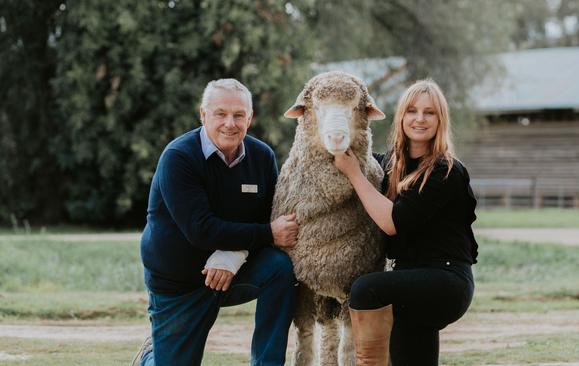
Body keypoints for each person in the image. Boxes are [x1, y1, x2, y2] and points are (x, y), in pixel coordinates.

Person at [132, 79, 299, 366]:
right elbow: (201, 230)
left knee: (279, 268)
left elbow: (266, 214)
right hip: (179, 282)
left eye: (238, 115)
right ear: (203, 115)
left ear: (250, 117)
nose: (230, 124)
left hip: (233, 271)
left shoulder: (262, 157)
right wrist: (269, 233)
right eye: (220, 113)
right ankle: (151, 355)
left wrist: (233, 256)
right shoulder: (179, 157)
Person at [333, 80, 478, 365]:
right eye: (412, 111)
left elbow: (392, 222)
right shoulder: (390, 164)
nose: (419, 119)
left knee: (366, 289)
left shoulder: (445, 170)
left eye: (429, 112)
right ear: (401, 116)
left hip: (445, 280)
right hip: (410, 282)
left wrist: (354, 175)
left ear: (441, 119)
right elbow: (355, 156)